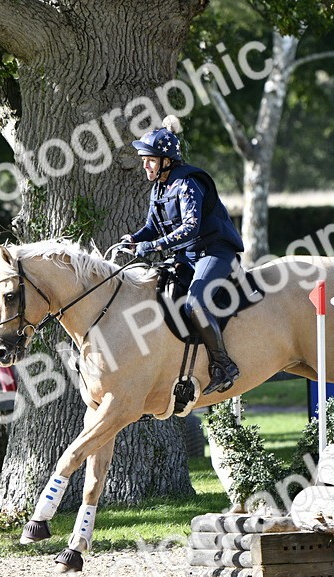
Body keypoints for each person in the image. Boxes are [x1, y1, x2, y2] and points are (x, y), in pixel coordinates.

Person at [121, 115, 244, 395]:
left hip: (214, 252)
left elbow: (191, 227)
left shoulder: (188, 183)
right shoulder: (160, 187)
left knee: (195, 305)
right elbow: (152, 227)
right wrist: (135, 239)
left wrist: (152, 247)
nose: (145, 164)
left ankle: (224, 366)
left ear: (166, 160)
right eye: (144, 159)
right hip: (188, 256)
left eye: (149, 159)